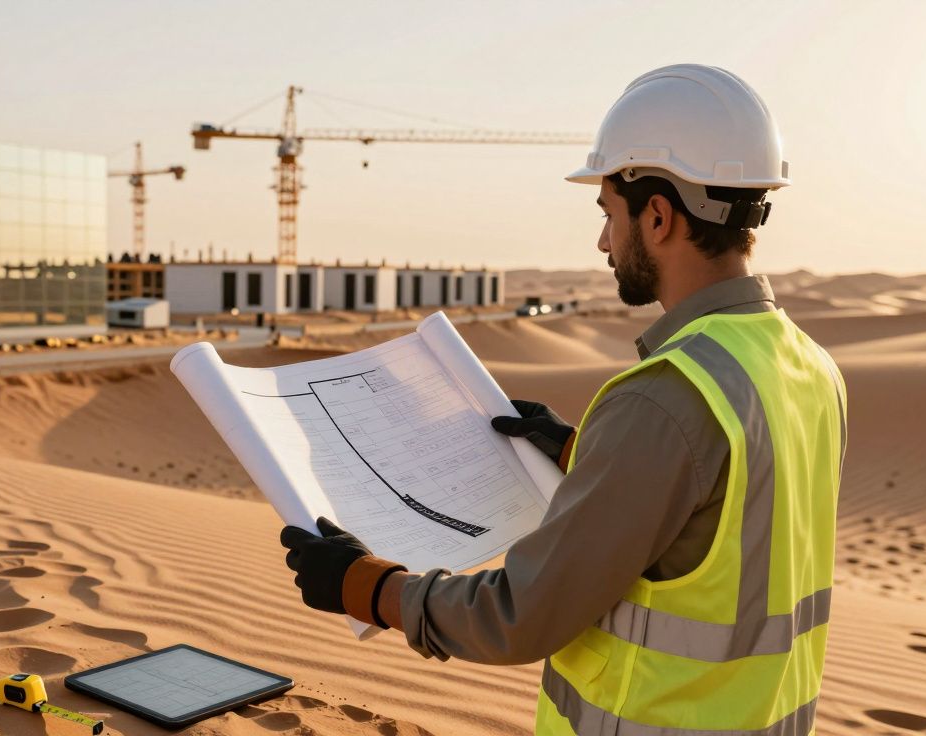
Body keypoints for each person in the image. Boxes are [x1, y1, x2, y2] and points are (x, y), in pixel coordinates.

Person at [280, 64, 846, 734]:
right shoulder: (809, 367)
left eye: (609, 214)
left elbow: (522, 613)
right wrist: (588, 453)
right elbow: (727, 521)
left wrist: (369, 589)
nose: (603, 241)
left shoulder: (667, 399)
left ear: (658, 216)